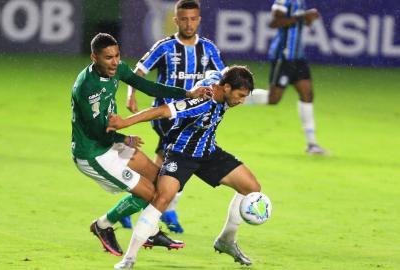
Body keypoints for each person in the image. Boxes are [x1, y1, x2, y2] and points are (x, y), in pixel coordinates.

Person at [108, 66, 267, 269]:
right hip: (181, 155)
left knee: (252, 187)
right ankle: (128, 259)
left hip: (208, 152)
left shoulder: (219, 82)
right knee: (162, 198)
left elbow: (216, 72)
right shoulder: (202, 100)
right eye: (240, 95)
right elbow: (162, 111)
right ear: (226, 87)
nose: (241, 101)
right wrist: (124, 123)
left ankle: (226, 240)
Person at [71, 33, 210, 257]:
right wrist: (124, 139)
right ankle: (103, 225)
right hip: (93, 153)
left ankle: (151, 231)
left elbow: (149, 87)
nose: (115, 62)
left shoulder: (116, 70)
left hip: (110, 141)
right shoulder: (87, 88)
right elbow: (96, 132)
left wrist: (187, 92)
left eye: (117, 56)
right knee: (149, 192)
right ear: (93, 57)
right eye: (108, 58)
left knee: (159, 179)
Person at [122, 0, 227, 233]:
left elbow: (223, 76)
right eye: (184, 19)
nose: (188, 24)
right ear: (175, 20)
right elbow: (138, 72)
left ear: (199, 20)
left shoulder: (208, 49)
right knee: (177, 161)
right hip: (165, 114)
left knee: (163, 167)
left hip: (191, 117)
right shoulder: (165, 47)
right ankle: (165, 210)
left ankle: (133, 204)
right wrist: (131, 94)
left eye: (193, 19)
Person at [246, 0, 328, 155]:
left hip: (298, 57)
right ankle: (234, 97)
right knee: (273, 99)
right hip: (283, 56)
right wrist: (303, 17)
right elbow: (275, 22)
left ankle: (312, 144)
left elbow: (302, 23)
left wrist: (309, 18)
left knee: (307, 95)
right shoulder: (283, 1)